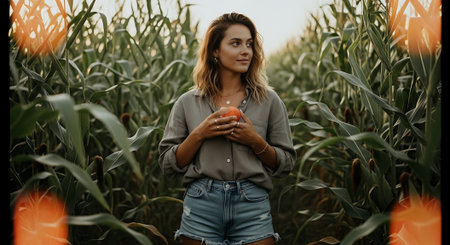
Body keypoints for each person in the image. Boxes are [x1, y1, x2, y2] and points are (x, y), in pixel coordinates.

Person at [158, 12, 296, 245]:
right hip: (202, 203)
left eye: (249, 44)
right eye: (236, 43)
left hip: (252, 204)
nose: (246, 51)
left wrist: (255, 141)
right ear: (215, 51)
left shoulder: (269, 101)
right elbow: (168, 164)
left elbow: (286, 164)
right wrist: (200, 133)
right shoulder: (188, 102)